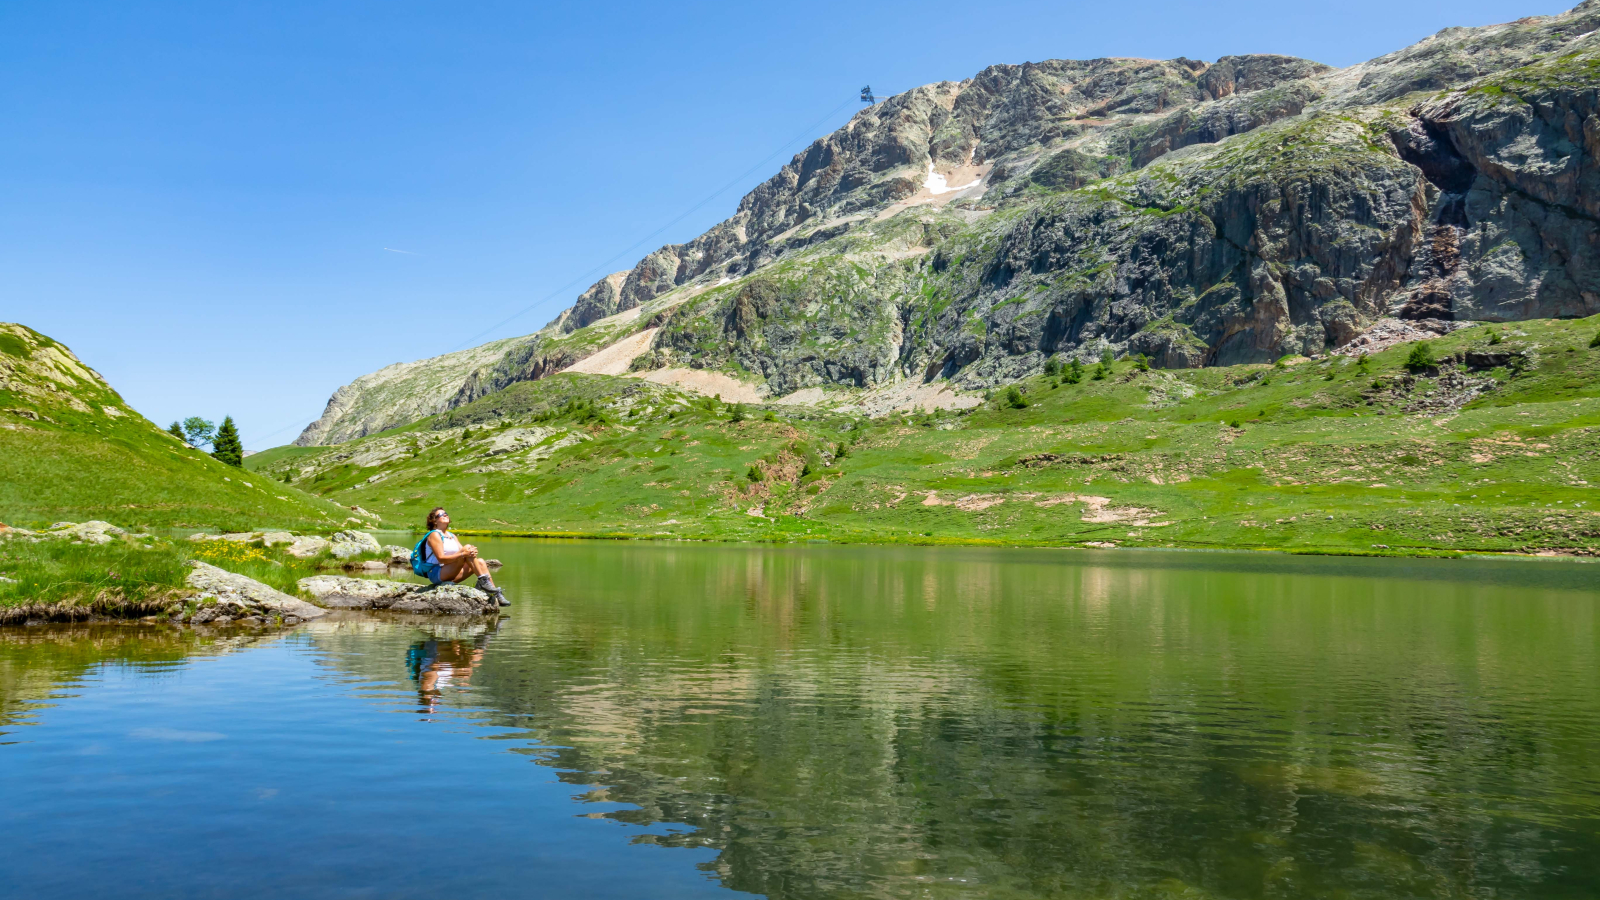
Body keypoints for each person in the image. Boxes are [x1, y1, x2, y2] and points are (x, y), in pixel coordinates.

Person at [420, 507, 509, 606]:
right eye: (441, 515)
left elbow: (465, 554)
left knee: (480, 561)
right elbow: (441, 558)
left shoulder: (452, 536)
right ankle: (484, 582)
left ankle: (495, 593)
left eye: (446, 513)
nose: (445, 515)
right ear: (434, 521)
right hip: (436, 573)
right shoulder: (434, 535)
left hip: (451, 571)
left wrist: (471, 551)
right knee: (466, 549)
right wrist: (464, 553)